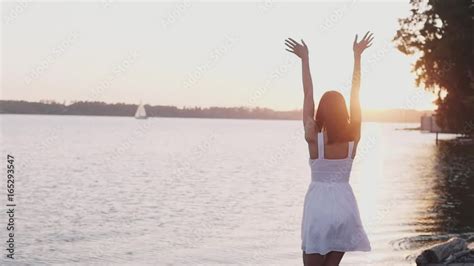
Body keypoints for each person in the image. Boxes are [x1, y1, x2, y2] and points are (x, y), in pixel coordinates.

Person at [284, 32, 373, 266]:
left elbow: (308, 95)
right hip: (345, 209)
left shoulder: (314, 139)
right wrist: (357, 57)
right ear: (344, 113)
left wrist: (305, 59)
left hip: (318, 210)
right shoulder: (354, 138)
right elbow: (356, 96)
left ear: (321, 113)